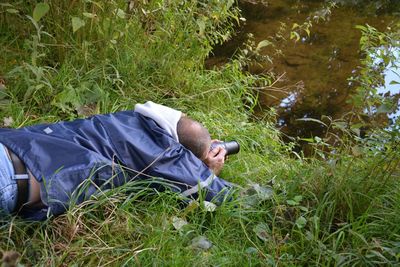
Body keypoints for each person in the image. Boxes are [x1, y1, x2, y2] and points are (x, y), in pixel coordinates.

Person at [0, 101, 232, 220]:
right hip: (8, 177)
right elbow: (220, 198)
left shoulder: (130, 119)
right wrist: (208, 168)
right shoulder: (167, 153)